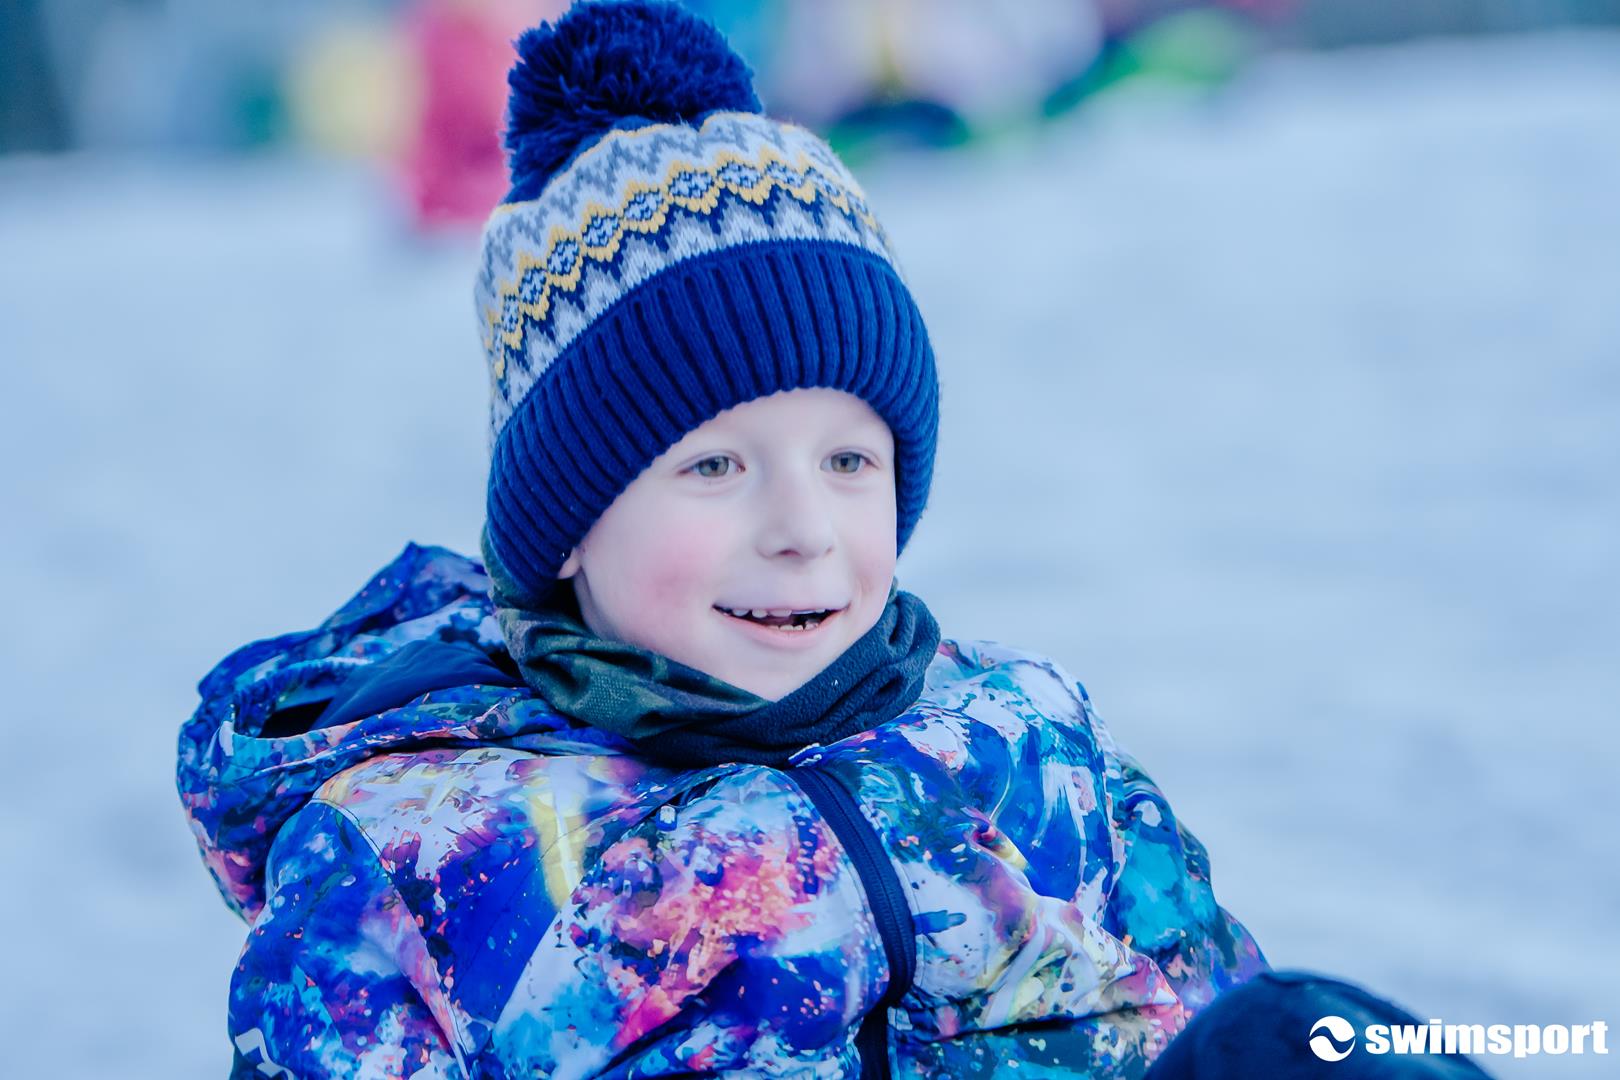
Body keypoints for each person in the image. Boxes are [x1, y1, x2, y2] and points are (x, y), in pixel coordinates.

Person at [182, 2, 1332, 1076]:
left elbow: (1192, 1004)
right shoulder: (419, 858)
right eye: (715, 468)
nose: (802, 531)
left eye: (848, 463)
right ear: (568, 524)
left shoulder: (1029, 745)